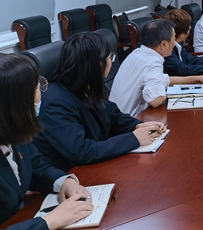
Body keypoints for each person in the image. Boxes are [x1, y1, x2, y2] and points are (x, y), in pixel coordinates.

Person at [0, 54, 94, 229]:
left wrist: (64, 182)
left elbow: (36, 167)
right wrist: (50, 221)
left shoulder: (10, 131)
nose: (41, 92)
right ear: (10, 109)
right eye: (36, 87)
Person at [33, 32, 166, 172]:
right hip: (73, 175)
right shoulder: (54, 102)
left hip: (98, 165)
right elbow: (81, 151)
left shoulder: (88, 85)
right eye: (110, 57)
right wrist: (134, 139)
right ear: (96, 65)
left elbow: (113, 114)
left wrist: (136, 125)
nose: (111, 62)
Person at [110, 19, 203, 116]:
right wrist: (178, 94)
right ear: (164, 44)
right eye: (174, 38)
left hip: (116, 116)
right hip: (132, 119)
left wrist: (197, 79)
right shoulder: (152, 62)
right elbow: (155, 101)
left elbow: (163, 80)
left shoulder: (137, 53)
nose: (175, 43)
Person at [162, 9, 203, 76]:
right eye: (189, 27)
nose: (189, 30)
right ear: (182, 34)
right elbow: (181, 69)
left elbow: (189, 59)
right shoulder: (166, 48)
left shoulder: (177, 43)